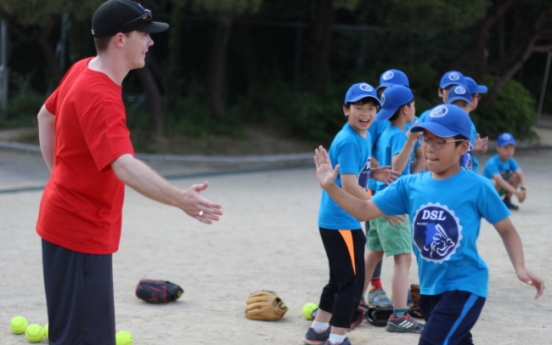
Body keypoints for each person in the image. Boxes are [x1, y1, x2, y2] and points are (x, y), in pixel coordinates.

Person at [36, 1, 223, 344]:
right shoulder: (100, 95)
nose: (151, 42)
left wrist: (59, 178)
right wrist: (181, 199)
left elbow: (44, 117)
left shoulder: (82, 68)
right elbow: (123, 165)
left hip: (71, 226)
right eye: (144, 34)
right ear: (120, 40)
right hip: (78, 233)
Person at [313, 103, 544, 345]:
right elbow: (364, 211)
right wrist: (331, 187)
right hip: (430, 290)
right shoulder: (410, 185)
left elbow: (507, 230)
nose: (430, 149)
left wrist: (520, 267)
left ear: (463, 147)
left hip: (465, 287)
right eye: (426, 140)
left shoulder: (478, 187)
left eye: (440, 142)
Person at [304, 82, 398, 345]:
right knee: (352, 284)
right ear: (346, 109)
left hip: (339, 221)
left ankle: (318, 330)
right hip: (342, 222)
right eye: (359, 107)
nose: (365, 113)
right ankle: (337, 338)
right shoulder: (349, 140)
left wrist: (372, 174)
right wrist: (379, 205)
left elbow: (354, 175)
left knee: (339, 279)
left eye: (371, 108)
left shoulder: (361, 136)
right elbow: (348, 185)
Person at [365, 84, 423, 333]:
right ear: (406, 109)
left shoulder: (388, 131)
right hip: (393, 205)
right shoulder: (401, 134)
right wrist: (411, 139)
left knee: (373, 255)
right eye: (412, 105)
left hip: (378, 200)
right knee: (403, 259)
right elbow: (397, 169)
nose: (414, 109)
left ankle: (354, 302)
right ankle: (400, 316)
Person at [482, 132, 527, 210]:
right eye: (506, 148)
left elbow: (521, 174)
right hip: (485, 192)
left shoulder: (511, 160)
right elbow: (500, 181)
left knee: (516, 176)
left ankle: (507, 200)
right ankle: (491, 203)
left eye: (511, 148)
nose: (509, 151)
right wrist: (517, 193)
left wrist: (523, 189)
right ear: (498, 148)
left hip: (499, 187)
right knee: (495, 181)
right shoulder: (492, 162)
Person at [464, 76, 489, 173]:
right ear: (471, 98)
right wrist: (473, 148)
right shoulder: (466, 123)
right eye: (478, 96)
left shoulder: (467, 121)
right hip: (465, 177)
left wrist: (476, 147)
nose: (478, 99)